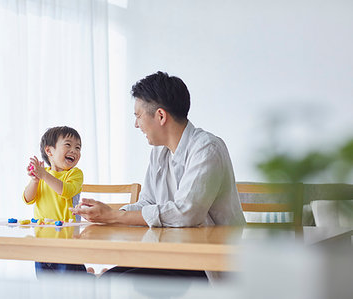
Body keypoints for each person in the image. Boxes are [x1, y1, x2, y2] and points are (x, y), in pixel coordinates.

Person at [70, 71, 245, 279]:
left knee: (109, 281)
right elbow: (147, 202)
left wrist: (115, 215)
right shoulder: (159, 152)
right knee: (105, 279)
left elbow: (185, 213)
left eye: (138, 116)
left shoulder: (207, 148)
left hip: (207, 266)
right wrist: (106, 214)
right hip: (171, 256)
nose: (136, 124)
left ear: (160, 116)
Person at [23, 126, 87, 274]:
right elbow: (27, 198)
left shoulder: (75, 174)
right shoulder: (42, 175)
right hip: (42, 241)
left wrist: (44, 175)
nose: (74, 151)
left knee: (73, 283)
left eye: (78, 147)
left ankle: (91, 276)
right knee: (45, 282)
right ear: (49, 151)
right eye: (68, 145)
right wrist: (35, 180)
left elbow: (66, 191)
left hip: (67, 242)